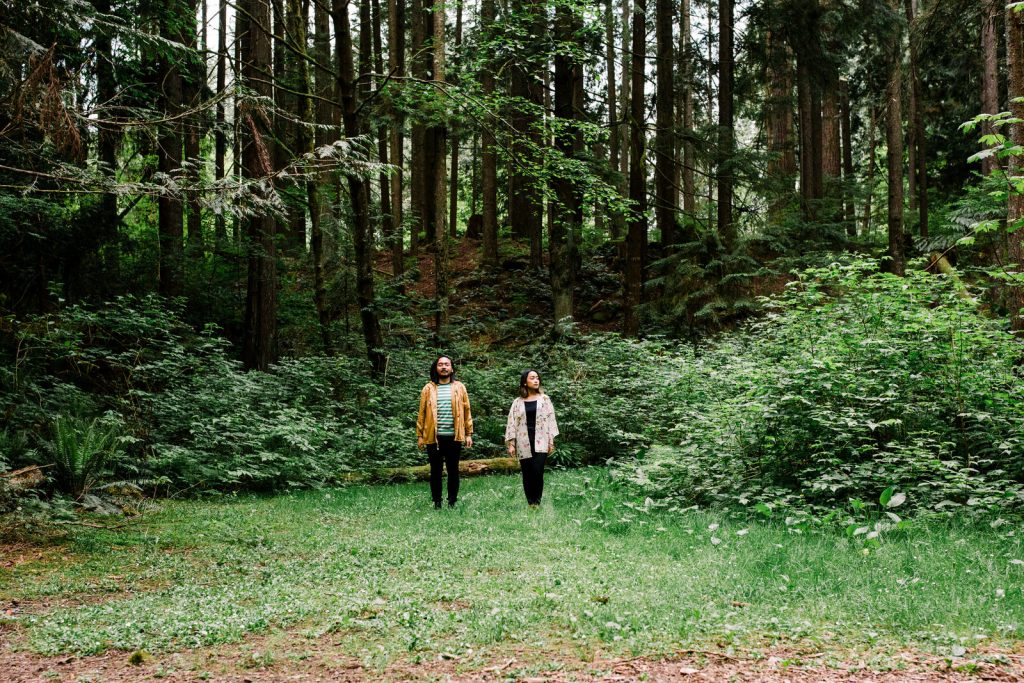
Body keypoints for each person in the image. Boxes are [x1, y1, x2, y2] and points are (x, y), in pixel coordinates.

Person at [417, 355, 474, 508]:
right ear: (436, 368)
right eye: (440, 364)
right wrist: (420, 435)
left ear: (451, 368)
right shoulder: (428, 388)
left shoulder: (459, 387)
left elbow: (467, 410)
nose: (443, 367)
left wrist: (468, 433)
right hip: (433, 437)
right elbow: (421, 413)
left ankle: (452, 502)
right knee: (435, 471)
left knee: (453, 470)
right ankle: (437, 502)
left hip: (454, 437)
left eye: (447, 364)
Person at [504, 369, 559, 508]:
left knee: (537, 471)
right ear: (524, 382)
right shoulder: (517, 402)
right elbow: (511, 422)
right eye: (532, 378)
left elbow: (551, 420)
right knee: (527, 473)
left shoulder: (545, 399)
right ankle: (531, 503)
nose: (536, 380)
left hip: (541, 440)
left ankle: (537, 502)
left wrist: (551, 441)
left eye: (537, 378)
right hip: (523, 442)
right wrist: (511, 443)